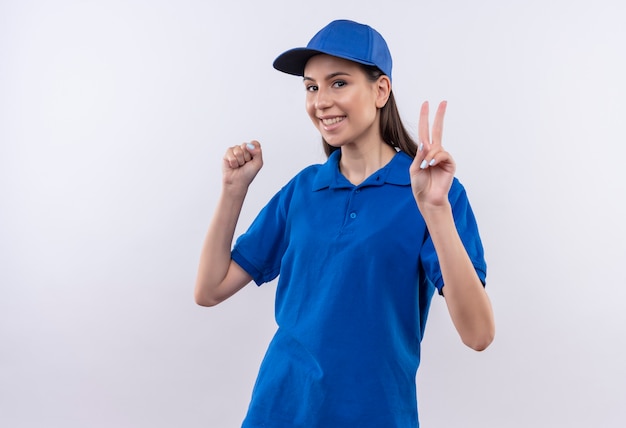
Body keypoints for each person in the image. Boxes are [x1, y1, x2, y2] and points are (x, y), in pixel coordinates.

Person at [195, 19, 495, 428]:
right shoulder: (303, 191)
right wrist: (233, 191)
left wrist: (436, 209)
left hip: (376, 415)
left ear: (380, 90)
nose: (320, 101)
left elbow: (478, 335)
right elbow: (209, 290)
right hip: (278, 410)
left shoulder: (433, 193)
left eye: (338, 83)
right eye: (311, 86)